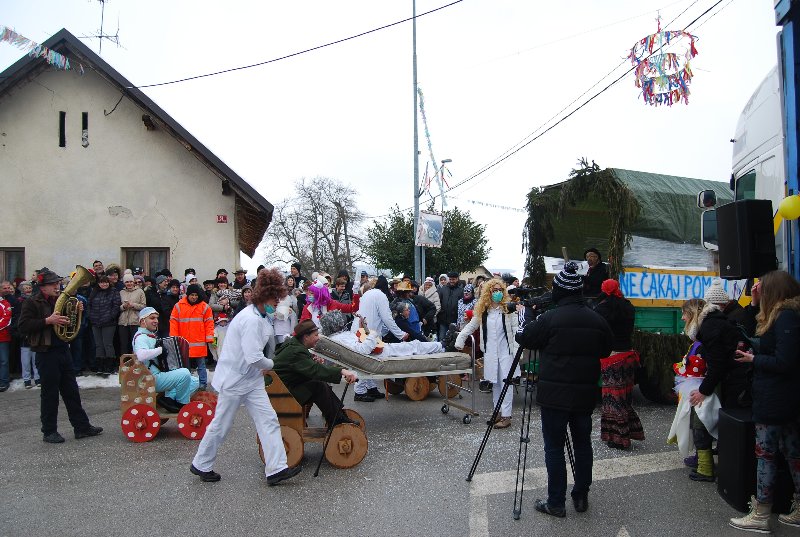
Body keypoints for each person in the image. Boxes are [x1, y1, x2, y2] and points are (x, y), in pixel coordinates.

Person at [516, 261, 613, 517]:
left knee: (554, 448)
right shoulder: (596, 318)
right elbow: (606, 350)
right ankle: (581, 495)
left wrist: (528, 315)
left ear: (559, 291)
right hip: (584, 395)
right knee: (583, 445)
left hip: (554, 397)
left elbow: (525, 337)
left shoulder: (549, 318)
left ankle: (556, 502)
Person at [191, 268, 301, 486]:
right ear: (264, 296)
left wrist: (266, 363)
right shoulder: (250, 319)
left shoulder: (260, 316)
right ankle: (201, 463)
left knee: (268, 420)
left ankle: (276, 468)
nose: (277, 303)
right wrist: (272, 365)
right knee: (221, 425)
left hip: (251, 379)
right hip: (235, 380)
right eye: (275, 299)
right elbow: (253, 357)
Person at [729, 270, 800, 533]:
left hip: (775, 398)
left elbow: (784, 361)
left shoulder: (785, 317)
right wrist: (754, 303)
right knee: (792, 453)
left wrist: (753, 359)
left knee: (767, 455)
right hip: (785, 398)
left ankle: (761, 514)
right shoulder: (787, 315)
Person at [18, 268, 103, 444]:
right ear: (43, 287)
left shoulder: (61, 300)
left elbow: (69, 323)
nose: (57, 287)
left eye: (57, 283)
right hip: (45, 352)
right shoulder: (32, 302)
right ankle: (49, 431)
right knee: (50, 394)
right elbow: (23, 326)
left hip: (63, 349)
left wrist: (78, 311)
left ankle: (81, 427)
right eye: (53, 284)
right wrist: (47, 321)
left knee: (71, 391)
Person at [455, 278, 520, 429]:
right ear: (488, 292)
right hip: (491, 353)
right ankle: (497, 412)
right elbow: (471, 326)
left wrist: (517, 351)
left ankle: (506, 416)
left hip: (506, 353)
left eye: (500, 290)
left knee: (506, 383)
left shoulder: (508, 309)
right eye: (494, 290)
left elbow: (516, 329)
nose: (498, 293)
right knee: (495, 383)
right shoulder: (483, 311)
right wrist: (460, 338)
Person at [273, 320, 359, 426]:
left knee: (318, 383)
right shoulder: (296, 351)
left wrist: (311, 361)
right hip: (281, 392)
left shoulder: (295, 345)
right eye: (316, 335)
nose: (318, 338)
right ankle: (337, 419)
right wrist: (342, 371)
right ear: (306, 337)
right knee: (318, 386)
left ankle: (338, 416)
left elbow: (306, 367)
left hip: (284, 387)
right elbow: (315, 370)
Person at [593, 279, 644, 450]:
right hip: (628, 356)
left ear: (604, 289)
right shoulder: (628, 306)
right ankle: (628, 432)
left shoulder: (601, 309)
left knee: (612, 399)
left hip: (611, 357)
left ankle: (617, 438)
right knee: (625, 398)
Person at [132, 307, 199, 412]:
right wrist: (160, 350)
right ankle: (182, 404)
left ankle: (169, 399)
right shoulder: (141, 337)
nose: (156, 321)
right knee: (185, 373)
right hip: (149, 378)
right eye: (152, 318)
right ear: (142, 321)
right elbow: (141, 355)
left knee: (194, 381)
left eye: (156, 318)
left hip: (156, 375)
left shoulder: (149, 336)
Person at [321, 310, 443, 357]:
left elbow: (360, 341)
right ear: (335, 324)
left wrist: (363, 327)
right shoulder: (340, 339)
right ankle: (441, 346)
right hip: (381, 353)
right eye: (340, 321)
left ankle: (441, 345)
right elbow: (362, 350)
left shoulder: (339, 336)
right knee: (414, 346)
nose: (343, 322)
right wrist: (373, 334)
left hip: (380, 349)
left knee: (413, 345)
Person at [170, 283, 214, 391]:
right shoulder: (178, 306)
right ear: (188, 295)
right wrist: (174, 338)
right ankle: (188, 383)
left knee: (201, 365)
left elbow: (209, 323)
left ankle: (203, 384)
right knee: (186, 366)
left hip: (199, 341)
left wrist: (209, 338)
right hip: (184, 341)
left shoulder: (205, 307)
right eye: (192, 295)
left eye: (196, 295)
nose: (194, 297)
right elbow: (173, 323)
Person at [87, 274, 121, 375]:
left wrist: (110, 316)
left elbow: (116, 306)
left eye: (106, 282)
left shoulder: (114, 292)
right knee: (98, 345)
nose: (104, 284)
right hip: (95, 322)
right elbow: (89, 304)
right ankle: (100, 366)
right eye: (102, 282)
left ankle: (109, 366)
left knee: (108, 344)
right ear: (98, 283)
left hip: (109, 322)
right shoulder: (94, 292)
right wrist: (90, 316)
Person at [17, 281, 40, 388]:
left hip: (34, 333)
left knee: (36, 359)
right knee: (25, 360)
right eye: (25, 288)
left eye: (29, 287)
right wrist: (22, 333)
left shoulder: (36, 300)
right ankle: (27, 380)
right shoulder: (19, 301)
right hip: (24, 336)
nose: (28, 289)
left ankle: (38, 378)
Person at [118, 272, 146, 357]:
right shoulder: (121, 292)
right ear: (124, 283)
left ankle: (135, 363)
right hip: (123, 322)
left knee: (135, 344)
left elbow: (143, 306)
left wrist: (133, 305)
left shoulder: (140, 291)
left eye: (130, 281)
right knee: (123, 345)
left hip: (135, 322)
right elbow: (118, 307)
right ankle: (125, 363)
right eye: (127, 282)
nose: (129, 283)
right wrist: (124, 306)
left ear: (133, 282)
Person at [437, 272, 464, 342]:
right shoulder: (443, 289)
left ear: (457, 279)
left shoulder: (461, 290)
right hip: (443, 319)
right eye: (450, 279)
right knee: (441, 338)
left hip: (454, 320)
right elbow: (439, 302)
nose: (451, 281)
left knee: (453, 340)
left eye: (453, 279)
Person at [0, 292, 10, 391]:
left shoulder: (5, 303)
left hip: (2, 337)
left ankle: (4, 382)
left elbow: (6, 319)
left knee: (3, 361)